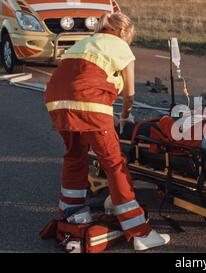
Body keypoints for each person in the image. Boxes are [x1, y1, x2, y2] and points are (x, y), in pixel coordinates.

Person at [44, 12, 170, 251]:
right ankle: (139, 232)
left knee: (74, 155)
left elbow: (73, 76)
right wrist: (124, 117)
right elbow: (129, 94)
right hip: (89, 101)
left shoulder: (83, 43)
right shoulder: (121, 47)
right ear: (124, 32)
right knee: (114, 162)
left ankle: (72, 213)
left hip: (55, 100)